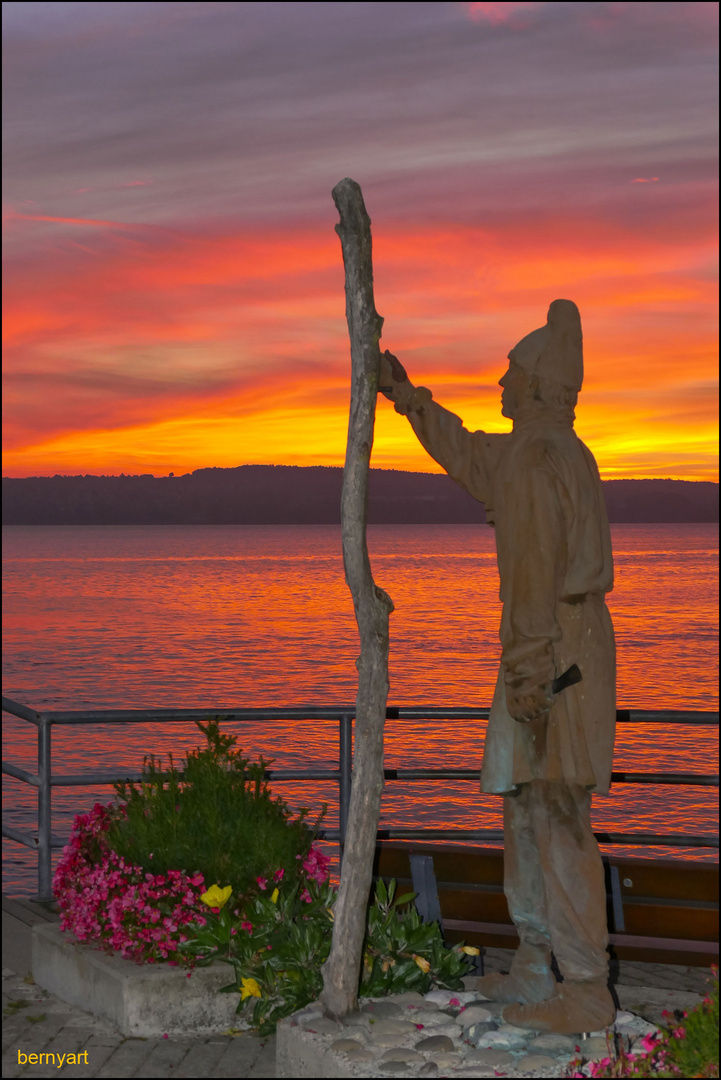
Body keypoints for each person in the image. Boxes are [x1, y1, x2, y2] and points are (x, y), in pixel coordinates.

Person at [379, 299, 617, 1034]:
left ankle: (580, 991)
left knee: (555, 816)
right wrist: (407, 396)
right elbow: (466, 452)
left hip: (552, 662)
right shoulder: (530, 454)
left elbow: (535, 576)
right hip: (551, 654)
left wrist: (526, 679)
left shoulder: (538, 462)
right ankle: (533, 965)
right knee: (525, 809)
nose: (499, 385)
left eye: (511, 374)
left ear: (542, 387)